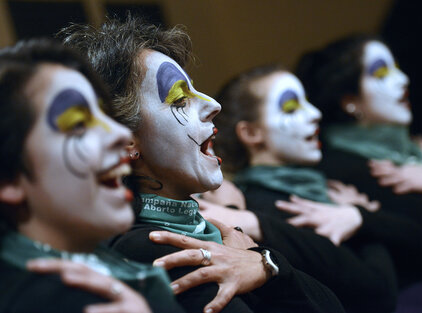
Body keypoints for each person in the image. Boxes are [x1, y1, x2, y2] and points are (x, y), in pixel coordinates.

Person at [59, 16, 345, 313]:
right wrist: (264, 264)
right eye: (180, 98)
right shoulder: (148, 248)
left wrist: (263, 264)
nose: (212, 104)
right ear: (126, 140)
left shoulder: (213, 233)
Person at [0, 39, 183, 313]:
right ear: (4, 179)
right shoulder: (60, 301)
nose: (121, 134)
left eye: (105, 116)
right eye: (79, 124)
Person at [212, 64, 398, 312]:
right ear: (251, 132)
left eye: (307, 101)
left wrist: (359, 217)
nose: (314, 113)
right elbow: (377, 292)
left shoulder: (325, 186)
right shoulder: (268, 205)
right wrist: (361, 215)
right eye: (291, 107)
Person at [295, 34, 422, 310]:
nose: (402, 80)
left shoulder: (415, 149)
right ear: (350, 101)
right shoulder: (341, 166)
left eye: (396, 68)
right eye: (381, 73)